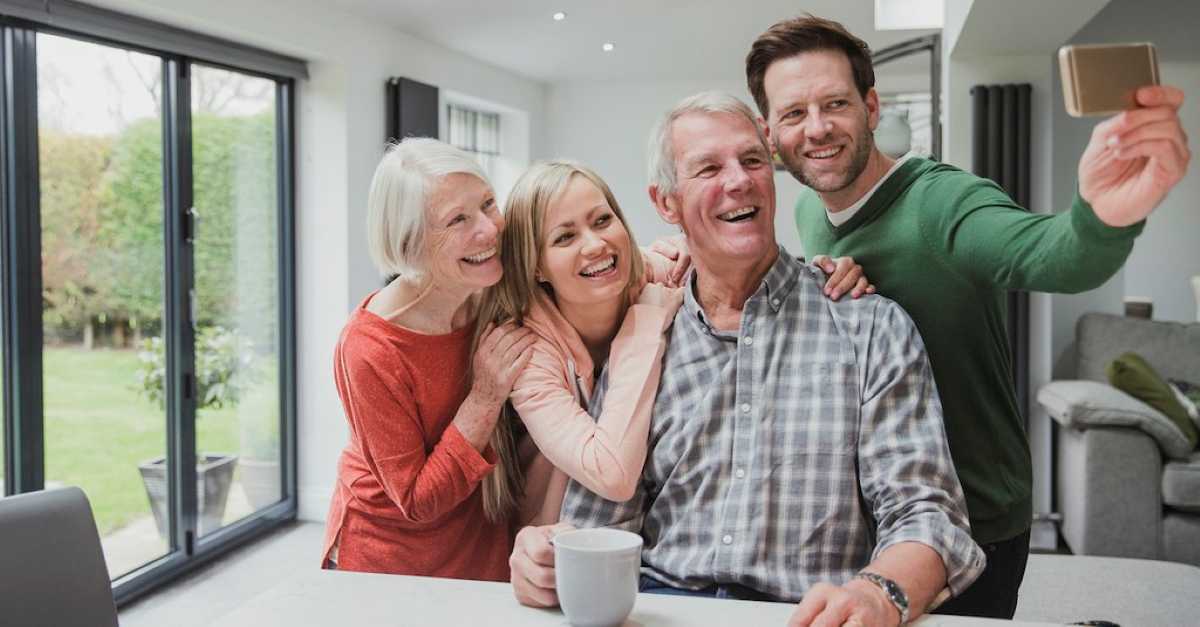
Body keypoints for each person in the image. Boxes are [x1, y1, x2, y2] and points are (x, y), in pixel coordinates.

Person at [745, 14, 1191, 619]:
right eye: (794, 113)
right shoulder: (807, 213)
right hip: (870, 511)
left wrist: (1099, 216)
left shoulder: (943, 202)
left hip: (973, 513)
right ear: (771, 134)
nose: (818, 128)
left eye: (836, 104)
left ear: (871, 107)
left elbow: (1055, 256)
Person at [510, 92, 985, 627]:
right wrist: (546, 556)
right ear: (666, 203)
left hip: (804, 615)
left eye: (753, 160)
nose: (738, 180)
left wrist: (880, 593)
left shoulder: (868, 325)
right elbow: (598, 522)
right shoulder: (643, 337)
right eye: (708, 168)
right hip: (662, 611)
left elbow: (927, 516)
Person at [322, 138, 537, 580]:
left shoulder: (490, 282)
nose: (489, 229)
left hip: (481, 537)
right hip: (391, 561)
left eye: (487, 204)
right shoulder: (369, 348)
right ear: (411, 243)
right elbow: (418, 501)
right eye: (457, 219)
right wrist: (485, 397)